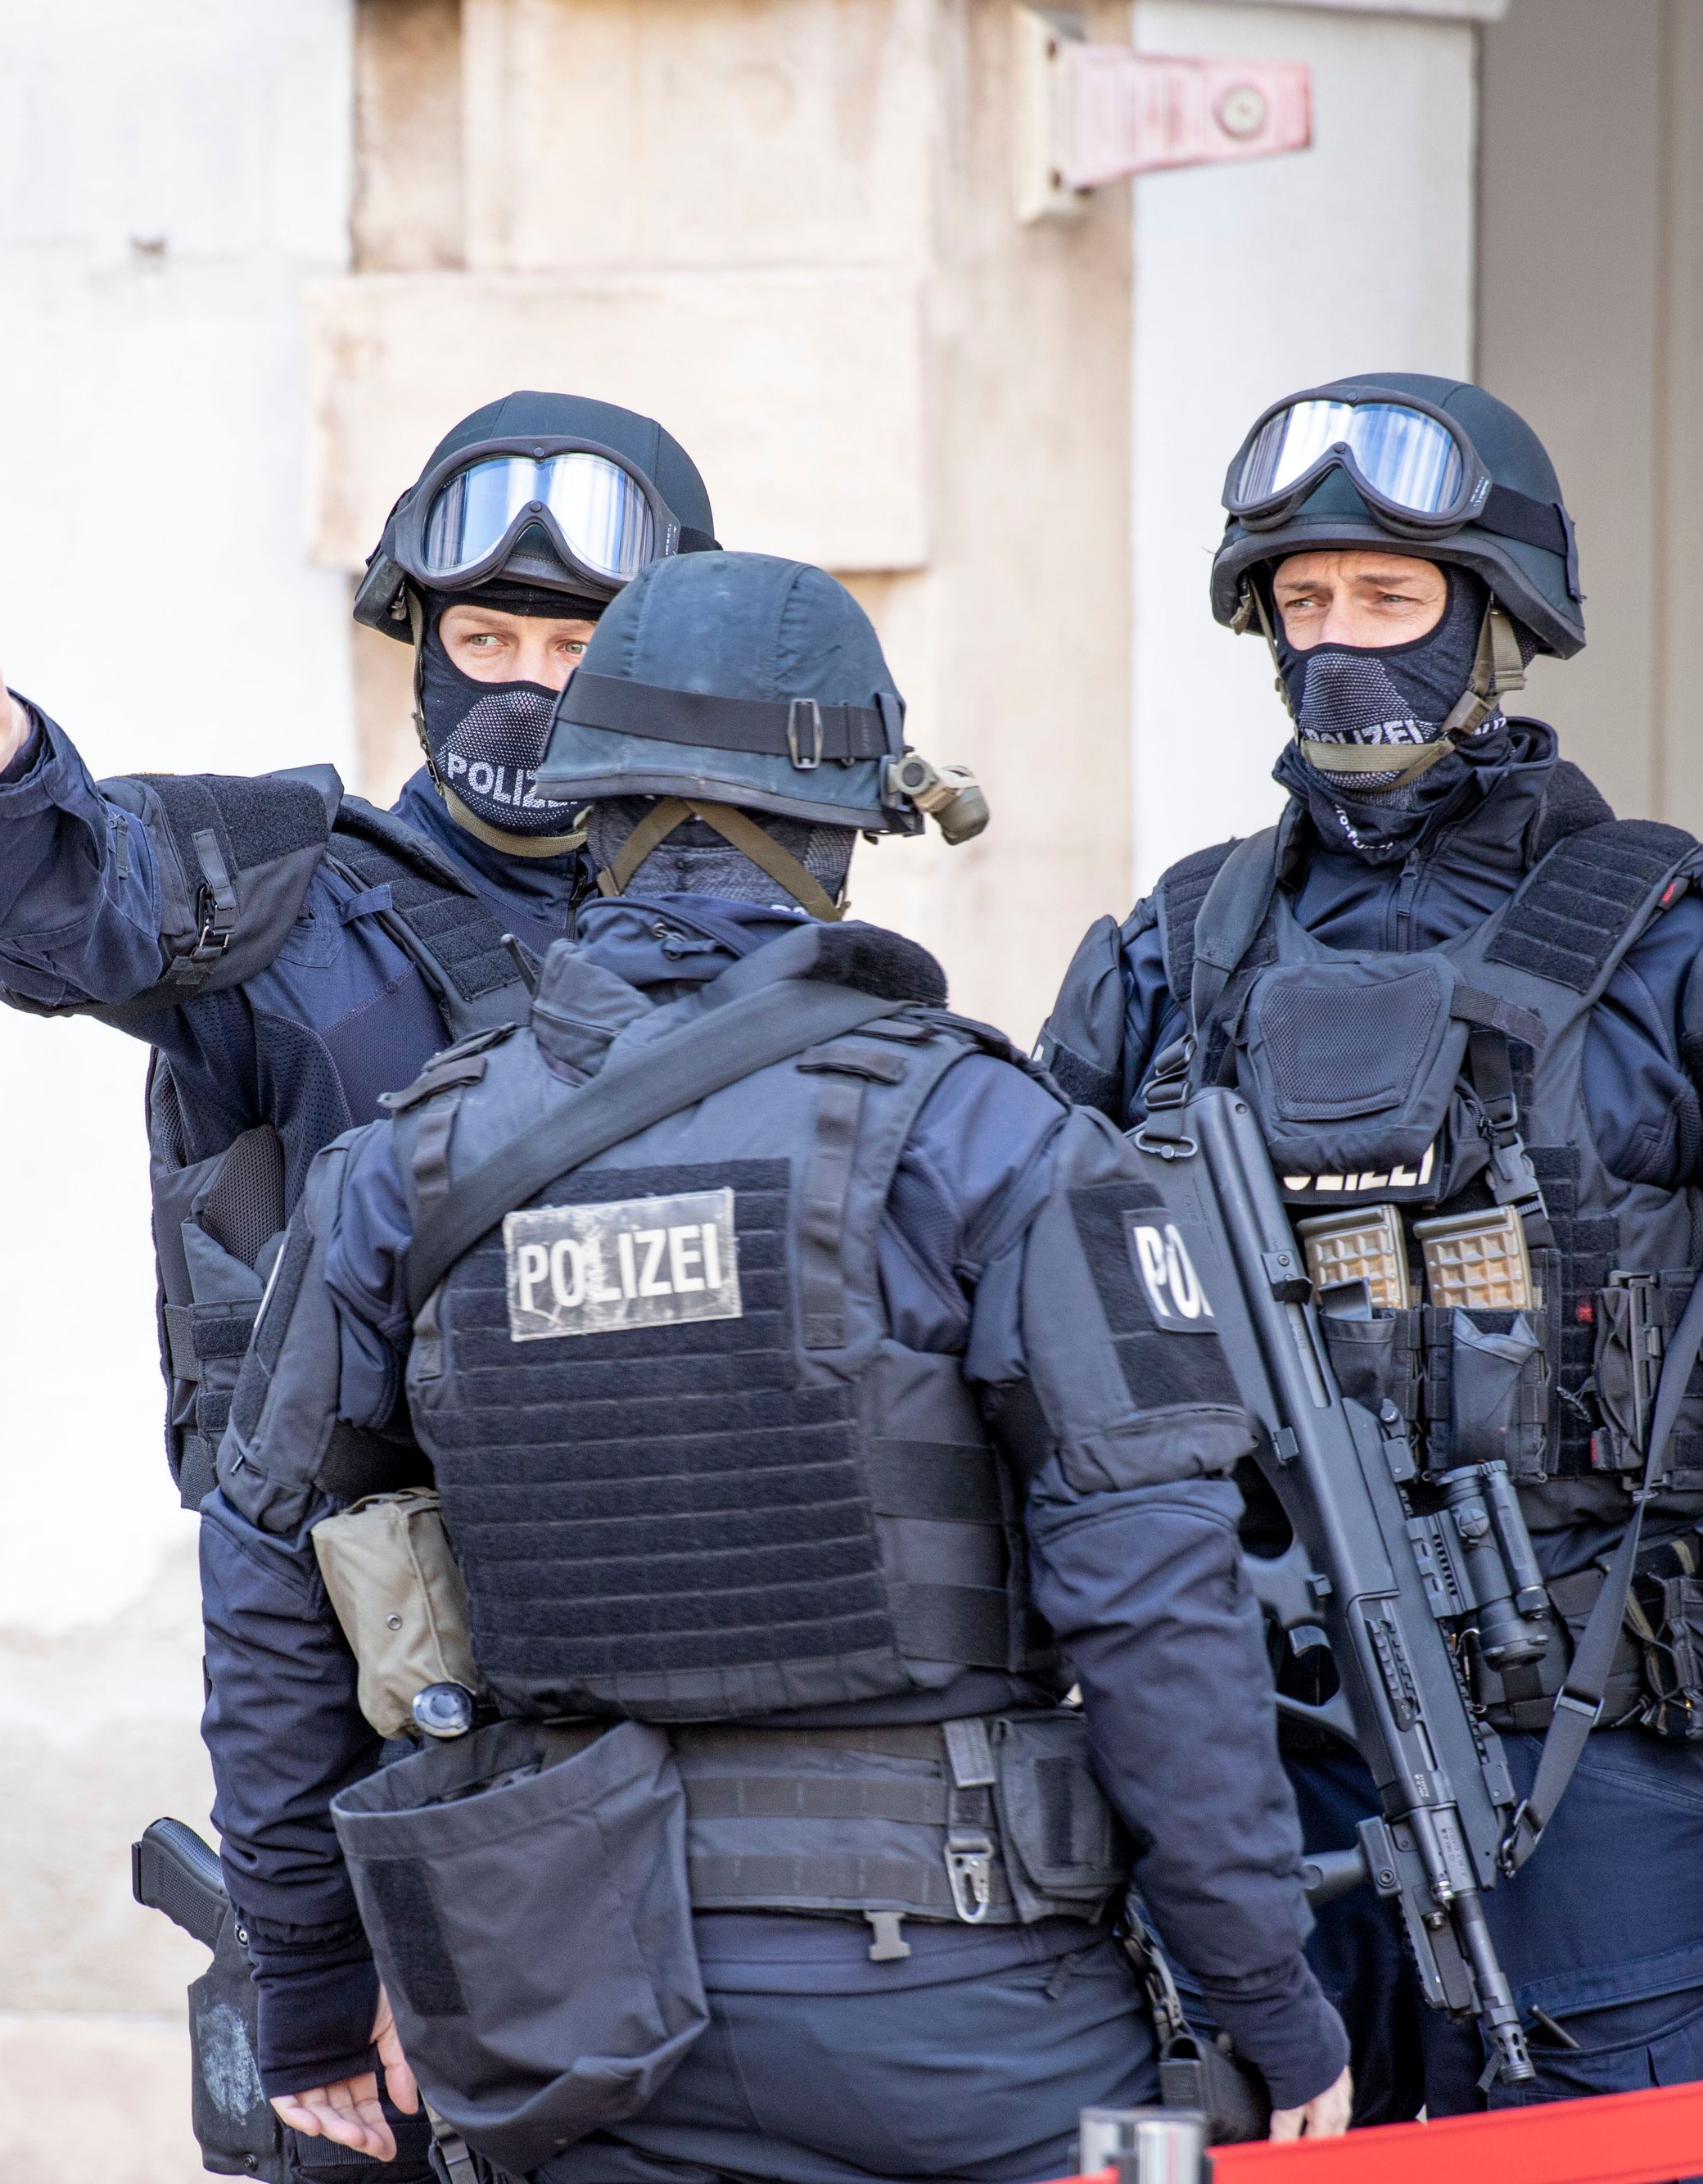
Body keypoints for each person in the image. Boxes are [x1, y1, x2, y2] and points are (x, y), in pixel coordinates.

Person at [202, 550, 1354, 2184]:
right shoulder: (990, 1138)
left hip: (576, 2026)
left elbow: (262, 1575)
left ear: (583, 809)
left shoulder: (403, 1168)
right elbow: (1157, 1604)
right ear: (844, 821)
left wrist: (312, 1995)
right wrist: (1261, 1989)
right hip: (964, 2021)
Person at [1038, 374, 1703, 2154]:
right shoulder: (1166, 959)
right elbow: (1019, 1339)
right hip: (1227, 1767)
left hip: (1584, 1761)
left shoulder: (1700, 950)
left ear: (1495, 621)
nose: (1337, 650)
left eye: (1386, 602)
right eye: (1300, 604)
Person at [0, 391, 717, 1508]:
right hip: (370, 1633)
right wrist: (8, 780)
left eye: (574, 646)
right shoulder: (293, 897)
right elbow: (79, 904)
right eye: (485, 639)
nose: (524, 685)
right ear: (426, 647)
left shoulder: (721, 926)